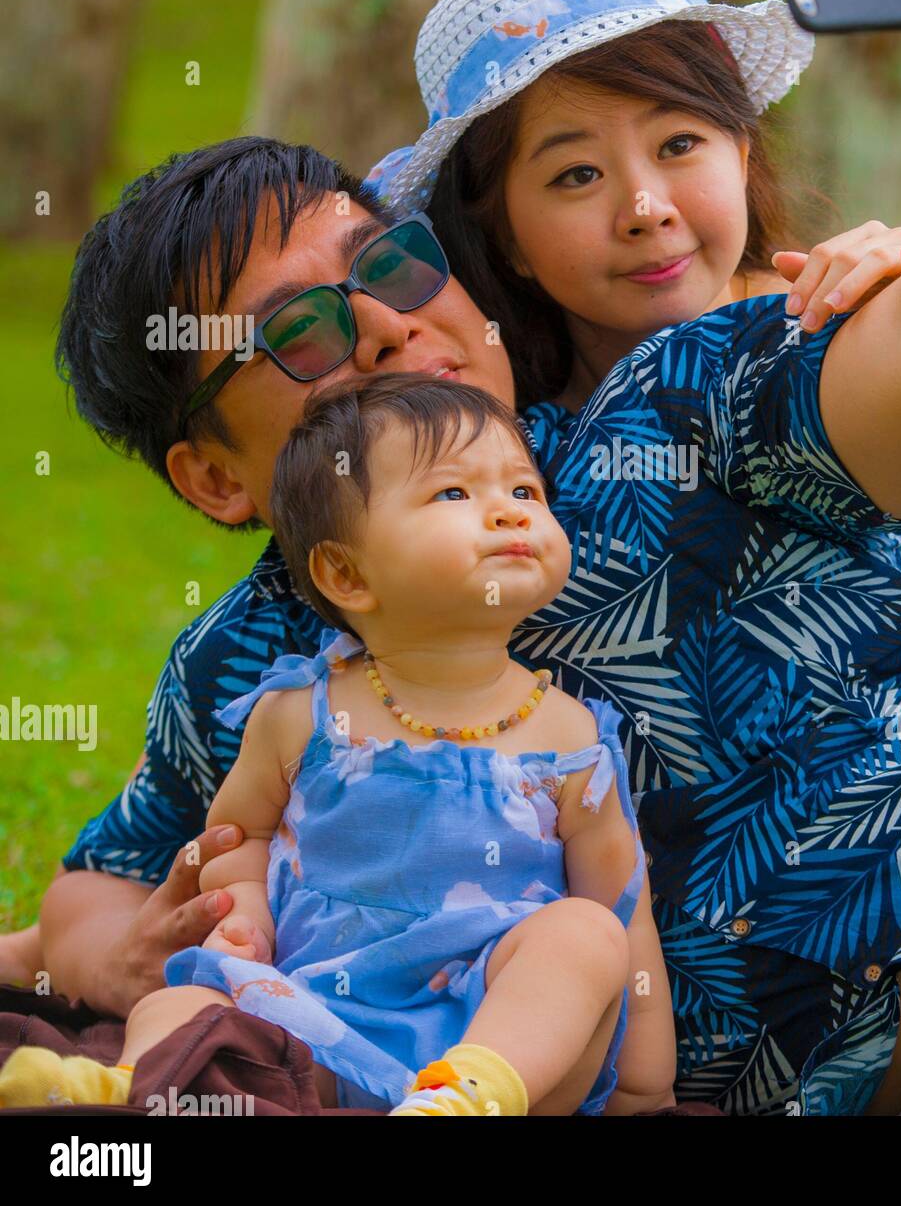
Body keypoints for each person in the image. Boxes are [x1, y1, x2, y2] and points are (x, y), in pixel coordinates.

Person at [2, 0, 901, 1116]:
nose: (386, 326)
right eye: (304, 334)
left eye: (387, 261)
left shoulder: (674, 403)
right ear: (218, 477)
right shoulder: (243, 667)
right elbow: (95, 882)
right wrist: (108, 955)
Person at [0, 376, 675, 1115]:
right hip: (311, 1024)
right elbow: (239, 834)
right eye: (453, 494)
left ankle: (462, 1099)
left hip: (495, 1033)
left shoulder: (570, 737)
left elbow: (622, 908)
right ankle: (127, 1086)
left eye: (525, 491)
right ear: (346, 574)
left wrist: (646, 1088)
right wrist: (245, 916)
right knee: (187, 995)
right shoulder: (300, 712)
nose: (508, 513)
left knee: (582, 934)